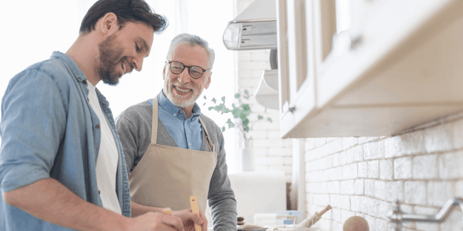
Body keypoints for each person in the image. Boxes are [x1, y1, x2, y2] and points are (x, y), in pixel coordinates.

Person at [0, 0, 191, 230]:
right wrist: (125, 226)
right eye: (138, 47)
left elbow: (106, 204)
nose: (139, 65)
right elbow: (20, 184)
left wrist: (168, 216)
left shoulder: (97, 104)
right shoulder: (44, 80)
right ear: (109, 24)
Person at [115, 33, 238, 230]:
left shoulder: (213, 133)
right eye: (176, 66)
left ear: (208, 80)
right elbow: (110, 198)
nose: (183, 78)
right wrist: (169, 217)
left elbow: (222, 196)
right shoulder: (133, 121)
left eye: (195, 71)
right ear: (164, 69)